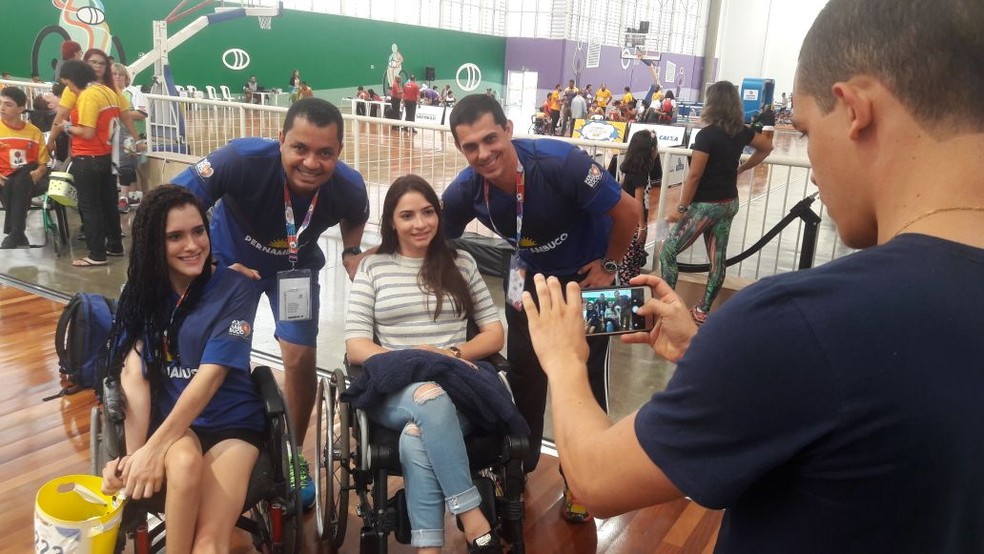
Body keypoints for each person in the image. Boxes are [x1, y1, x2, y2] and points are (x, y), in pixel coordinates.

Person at [521, 0, 984, 552]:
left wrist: (564, 360)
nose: (811, 160)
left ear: (855, 109)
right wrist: (714, 355)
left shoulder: (800, 322)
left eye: (808, 132)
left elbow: (595, 480)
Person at [442, 94, 641, 521]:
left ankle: (582, 479)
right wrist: (372, 257)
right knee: (525, 375)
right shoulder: (465, 188)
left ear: (509, 129)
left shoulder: (561, 162)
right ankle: (523, 462)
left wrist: (609, 266)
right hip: (527, 281)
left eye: (490, 139)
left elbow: (629, 210)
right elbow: (430, 233)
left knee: (588, 380)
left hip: (591, 281)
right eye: (470, 147)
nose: (483, 153)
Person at [171, 97, 370, 510]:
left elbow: (357, 213)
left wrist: (352, 250)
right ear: (280, 140)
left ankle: (291, 456)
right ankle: (216, 438)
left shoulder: (348, 185)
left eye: (325, 153)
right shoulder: (240, 158)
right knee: (220, 356)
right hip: (230, 263)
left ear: (338, 153)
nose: (311, 162)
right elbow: (174, 202)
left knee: (299, 358)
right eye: (300, 148)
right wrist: (207, 262)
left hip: (293, 272)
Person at [345, 175, 508, 554]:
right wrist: (415, 359)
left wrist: (448, 355)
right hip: (393, 388)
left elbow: (493, 334)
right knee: (427, 397)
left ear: (438, 215)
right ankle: (472, 515)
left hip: (457, 386)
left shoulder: (461, 262)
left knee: (417, 433)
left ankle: (428, 548)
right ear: (391, 223)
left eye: (428, 212)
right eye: (407, 215)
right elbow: (356, 346)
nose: (420, 223)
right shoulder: (374, 268)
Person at [99, 185, 264, 552]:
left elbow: (211, 377)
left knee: (208, 545)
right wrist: (132, 457)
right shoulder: (140, 294)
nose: (192, 245)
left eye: (198, 231)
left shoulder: (237, 288)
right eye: (175, 236)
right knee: (185, 459)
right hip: (176, 427)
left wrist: (152, 450)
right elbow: (133, 376)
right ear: (153, 245)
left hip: (231, 426)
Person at [658, 80, 773, 325]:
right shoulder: (741, 131)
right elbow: (767, 146)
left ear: (712, 103)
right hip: (728, 202)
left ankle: (668, 309)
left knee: (668, 252)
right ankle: (703, 310)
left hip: (705, 206)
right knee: (717, 259)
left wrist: (681, 208)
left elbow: (695, 175)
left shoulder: (706, 135)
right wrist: (743, 168)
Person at [58, 59, 125, 267]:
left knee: (90, 206)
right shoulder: (108, 91)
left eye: (67, 84)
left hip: (88, 157)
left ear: (72, 80)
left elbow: (87, 131)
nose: (68, 88)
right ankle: (115, 245)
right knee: (108, 204)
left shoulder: (88, 96)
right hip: (105, 156)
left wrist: (67, 127)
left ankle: (96, 254)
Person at [609, 130, 662, 284]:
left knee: (630, 261)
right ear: (649, 151)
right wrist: (642, 227)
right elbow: (638, 201)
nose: (657, 150)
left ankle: (630, 288)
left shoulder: (629, 170)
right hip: (633, 225)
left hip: (627, 222)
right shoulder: (640, 174)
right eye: (656, 147)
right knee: (629, 263)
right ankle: (629, 291)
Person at [0, 86, 49, 249]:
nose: (2, 107)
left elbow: (43, 164)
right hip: (4, 178)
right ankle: (17, 233)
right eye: (0, 103)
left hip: (29, 177)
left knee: (22, 178)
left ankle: (15, 233)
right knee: (14, 182)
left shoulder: (34, 132)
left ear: (20, 108)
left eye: (8, 104)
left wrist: (38, 172)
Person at [112, 62, 148, 213]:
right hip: (113, 136)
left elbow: (142, 113)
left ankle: (123, 199)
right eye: (114, 74)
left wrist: (120, 113)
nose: (118, 77)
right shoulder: (108, 93)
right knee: (124, 165)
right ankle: (133, 196)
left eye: (120, 74)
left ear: (126, 78)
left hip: (131, 137)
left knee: (125, 165)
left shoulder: (134, 93)